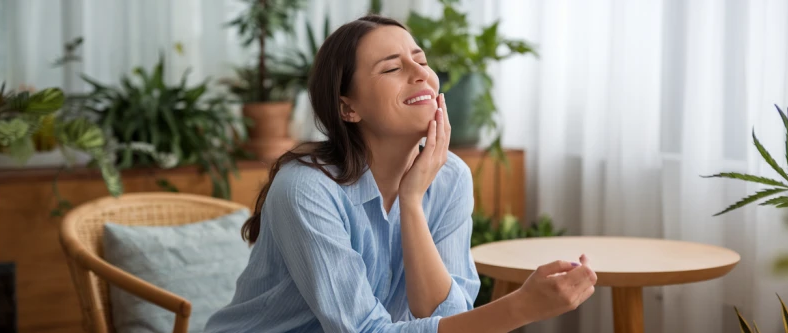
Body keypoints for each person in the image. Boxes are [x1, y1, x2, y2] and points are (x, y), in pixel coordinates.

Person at [204, 14, 597, 333]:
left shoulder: (450, 177)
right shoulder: (306, 188)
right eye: (392, 67)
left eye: (421, 60)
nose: (420, 72)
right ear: (348, 108)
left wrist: (411, 201)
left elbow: (443, 312)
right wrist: (521, 307)